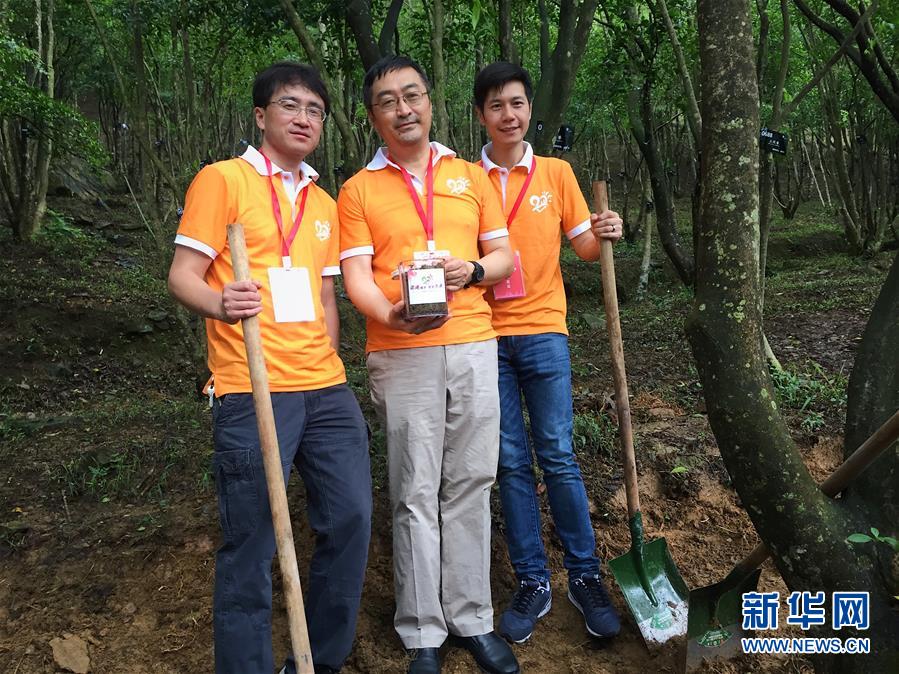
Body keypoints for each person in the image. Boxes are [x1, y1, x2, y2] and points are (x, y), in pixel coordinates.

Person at [167, 61, 372, 674]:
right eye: (290, 106)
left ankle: (321, 660)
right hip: (250, 386)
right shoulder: (222, 180)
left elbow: (328, 295)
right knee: (252, 539)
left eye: (315, 111)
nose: (304, 119)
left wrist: (330, 357)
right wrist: (220, 301)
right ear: (261, 116)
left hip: (325, 388)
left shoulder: (326, 203)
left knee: (354, 517)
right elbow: (182, 276)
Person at [337, 55, 518, 674]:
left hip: (472, 342)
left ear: (430, 102)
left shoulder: (470, 177)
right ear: (374, 116)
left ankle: (473, 618)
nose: (403, 108)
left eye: (412, 95)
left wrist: (469, 271)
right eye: (388, 100)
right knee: (414, 490)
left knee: (470, 482)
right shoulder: (357, 190)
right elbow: (357, 278)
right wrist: (391, 315)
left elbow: (502, 257)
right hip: (400, 352)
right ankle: (421, 632)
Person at [472, 61, 623, 645]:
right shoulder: (465, 178)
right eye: (496, 106)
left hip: (543, 331)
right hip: (484, 335)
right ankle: (532, 580)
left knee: (557, 452)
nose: (508, 115)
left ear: (530, 108)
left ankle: (585, 576)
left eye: (517, 103)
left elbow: (584, 246)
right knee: (510, 461)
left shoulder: (557, 173)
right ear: (482, 115)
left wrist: (605, 228)